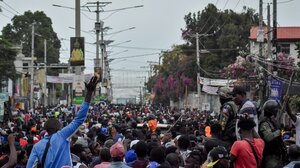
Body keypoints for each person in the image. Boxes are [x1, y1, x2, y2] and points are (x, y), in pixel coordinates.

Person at [26, 76, 98, 167]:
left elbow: (30, 166)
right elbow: (79, 119)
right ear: (59, 128)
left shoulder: (37, 146)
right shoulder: (62, 135)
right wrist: (89, 92)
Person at [259, 99, 287, 168]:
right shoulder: (265, 123)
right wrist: (279, 131)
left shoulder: (272, 122)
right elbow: (268, 137)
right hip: (270, 156)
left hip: (276, 155)